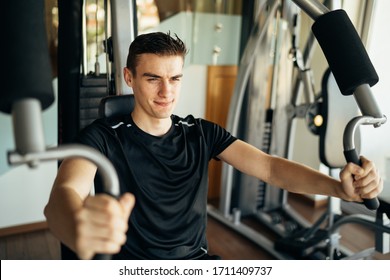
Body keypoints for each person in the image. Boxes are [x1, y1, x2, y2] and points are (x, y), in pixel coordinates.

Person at [44, 31, 383, 260]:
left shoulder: (200, 132)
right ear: (129, 78)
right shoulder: (102, 136)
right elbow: (65, 193)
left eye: (174, 79)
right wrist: (76, 225)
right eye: (153, 79)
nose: (167, 92)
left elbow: (268, 167)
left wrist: (338, 189)